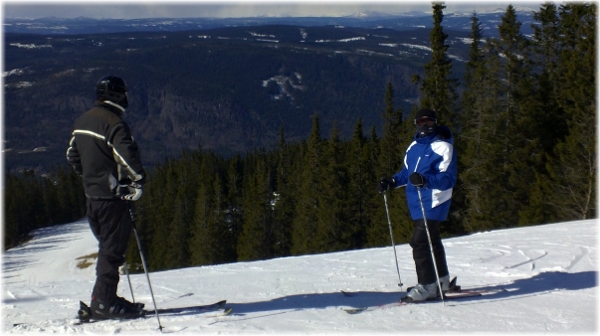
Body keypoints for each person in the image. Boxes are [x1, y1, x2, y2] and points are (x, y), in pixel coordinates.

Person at [67, 75, 146, 319]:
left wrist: (91, 178)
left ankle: (106, 298)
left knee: (107, 250)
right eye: (123, 95)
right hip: (113, 200)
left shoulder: (83, 120)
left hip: (92, 198)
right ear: (117, 96)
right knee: (111, 253)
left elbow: (72, 155)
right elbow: (128, 158)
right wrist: (136, 184)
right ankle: (103, 303)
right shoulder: (114, 123)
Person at [376, 108, 457, 302]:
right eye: (421, 123)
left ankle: (428, 285)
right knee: (432, 239)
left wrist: (425, 180)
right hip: (417, 201)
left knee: (419, 241)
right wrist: (392, 182)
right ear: (416, 124)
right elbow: (407, 173)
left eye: (429, 123)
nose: (425, 126)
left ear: (435, 124)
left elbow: (448, 178)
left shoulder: (443, 147)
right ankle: (441, 279)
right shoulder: (413, 147)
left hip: (435, 199)